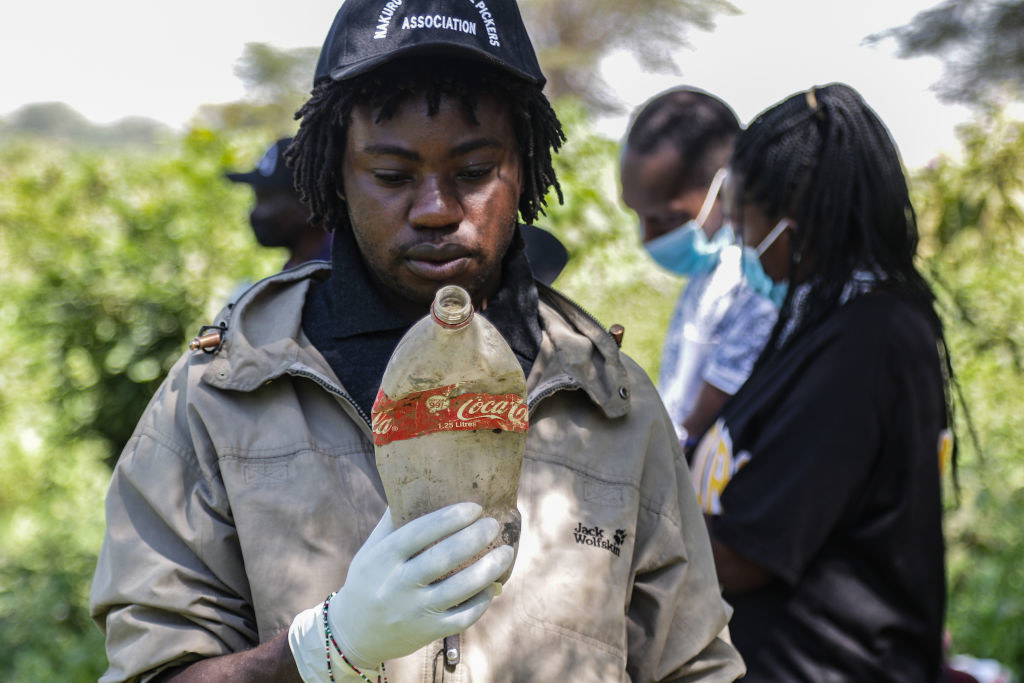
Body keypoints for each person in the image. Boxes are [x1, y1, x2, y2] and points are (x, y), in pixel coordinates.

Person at [89, 2, 745, 682]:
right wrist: (320, 650)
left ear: (523, 166)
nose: (435, 208)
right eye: (394, 175)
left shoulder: (612, 406)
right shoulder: (222, 396)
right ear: (336, 176)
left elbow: (693, 665)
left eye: (472, 171)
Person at [689, 83, 955, 681]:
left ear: (794, 220)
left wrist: (622, 517)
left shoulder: (869, 344)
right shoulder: (827, 322)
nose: (743, 240)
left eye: (745, 219)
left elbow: (745, 553)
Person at [620, 88, 777, 451]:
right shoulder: (711, 268)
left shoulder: (756, 276)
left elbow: (711, 409)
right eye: (638, 216)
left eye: (667, 218)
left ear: (727, 187)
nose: (648, 236)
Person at [226, 137, 334, 270]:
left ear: (307, 205)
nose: (254, 212)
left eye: (266, 199)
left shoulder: (344, 267)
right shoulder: (297, 268)